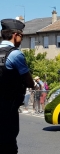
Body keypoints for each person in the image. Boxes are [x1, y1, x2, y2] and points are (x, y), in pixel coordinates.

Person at [0, 19, 34, 153]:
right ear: (15, 35)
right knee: (9, 145)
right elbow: (30, 82)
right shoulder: (15, 54)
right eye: (22, 36)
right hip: (8, 108)